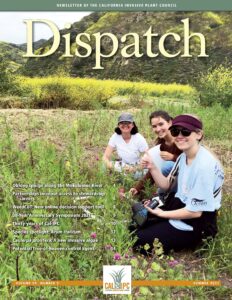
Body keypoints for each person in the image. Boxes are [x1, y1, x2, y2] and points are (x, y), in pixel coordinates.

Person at [133, 114, 224, 254]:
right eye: (175, 131)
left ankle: (184, 236)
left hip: (198, 222)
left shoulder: (204, 166)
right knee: (137, 215)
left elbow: (195, 212)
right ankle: (155, 223)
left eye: (185, 131)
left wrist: (162, 214)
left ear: (199, 134)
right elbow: (166, 185)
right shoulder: (184, 156)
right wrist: (152, 166)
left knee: (137, 239)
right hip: (181, 203)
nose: (179, 136)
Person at [130, 110, 182, 198]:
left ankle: (170, 195)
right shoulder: (161, 145)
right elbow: (153, 170)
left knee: (168, 165)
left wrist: (173, 157)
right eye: (154, 126)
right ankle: (163, 195)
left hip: (186, 182)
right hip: (170, 181)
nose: (158, 129)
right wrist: (137, 189)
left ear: (170, 122)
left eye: (161, 124)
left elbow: (192, 161)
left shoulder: (181, 139)